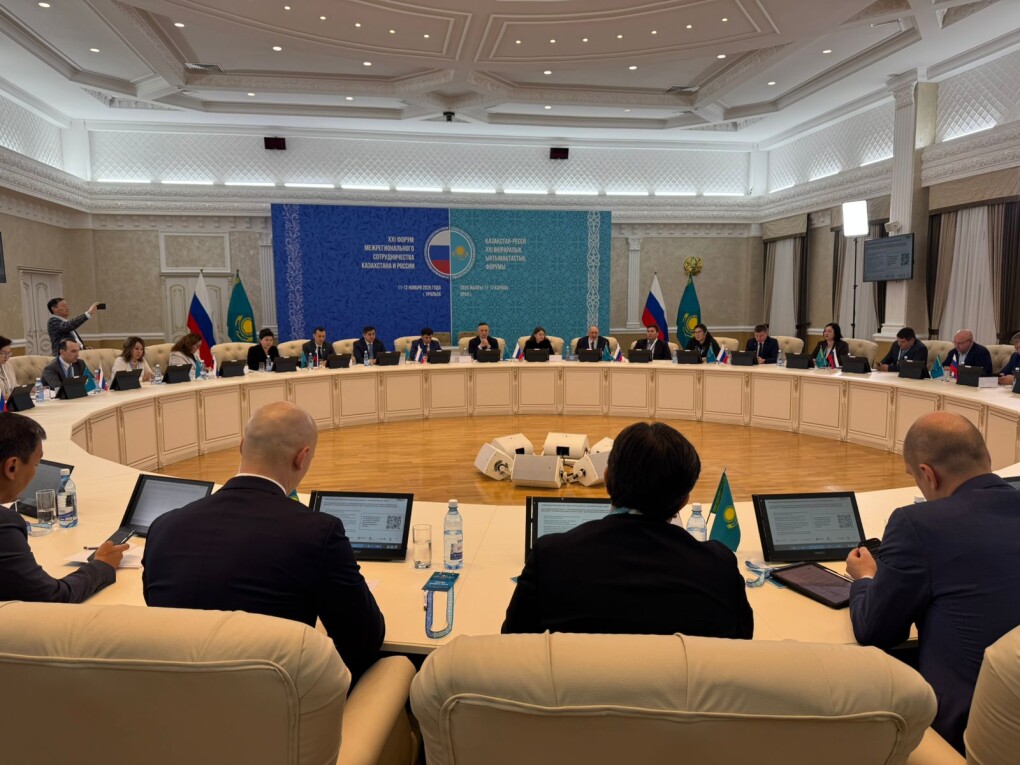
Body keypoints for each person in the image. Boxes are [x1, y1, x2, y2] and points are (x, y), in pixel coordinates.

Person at [142, 402, 385, 685]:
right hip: (276, 701)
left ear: (242, 446)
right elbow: (364, 640)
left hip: (175, 697)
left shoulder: (164, 526)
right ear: (302, 457)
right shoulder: (318, 531)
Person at [845, 412, 1020, 754]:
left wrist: (865, 577)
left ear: (928, 474)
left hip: (965, 735)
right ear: (987, 458)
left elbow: (875, 631)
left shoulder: (918, 524)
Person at [503, 421, 753, 638]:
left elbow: (513, 644)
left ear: (607, 478)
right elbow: (741, 646)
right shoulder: (719, 568)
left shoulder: (551, 557)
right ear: (684, 500)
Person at [0, 413, 128, 602]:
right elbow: (53, 597)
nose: (36, 472)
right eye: (36, 464)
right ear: (12, 467)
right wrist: (102, 565)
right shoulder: (4, 524)